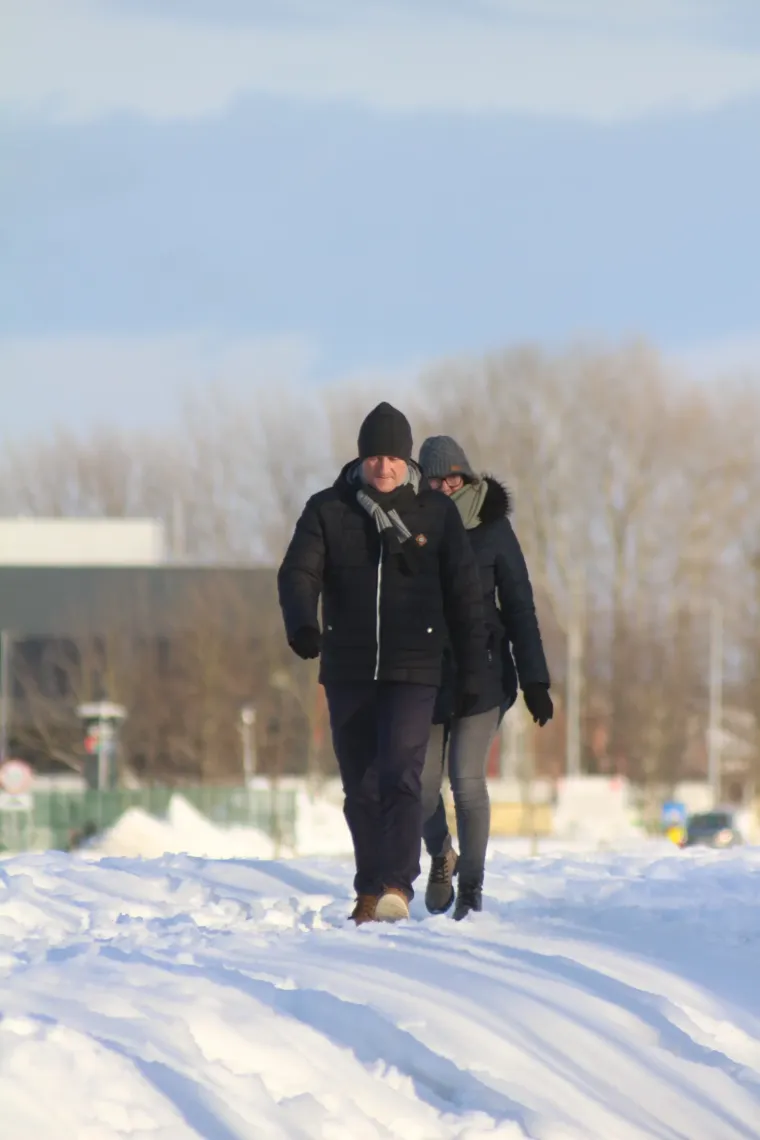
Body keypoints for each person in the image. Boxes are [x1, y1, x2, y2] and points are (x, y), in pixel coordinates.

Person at [277, 403, 487, 925]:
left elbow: (464, 594)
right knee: (360, 786)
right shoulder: (328, 509)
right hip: (347, 667)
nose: (384, 468)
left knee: (400, 773)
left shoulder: (434, 514)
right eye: (375, 457)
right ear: (361, 458)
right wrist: (302, 623)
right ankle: (368, 889)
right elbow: (298, 572)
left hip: (414, 666)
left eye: (393, 457)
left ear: (407, 460)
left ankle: (397, 884)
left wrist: (471, 670)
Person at [417, 435, 552, 920]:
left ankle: (470, 890)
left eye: (453, 476)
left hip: (484, 672)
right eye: (435, 478)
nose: (446, 485)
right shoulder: (413, 528)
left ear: (468, 477)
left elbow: (519, 605)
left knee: (466, 780)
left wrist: (536, 680)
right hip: (427, 675)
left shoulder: (493, 530)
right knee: (419, 784)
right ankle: (441, 855)